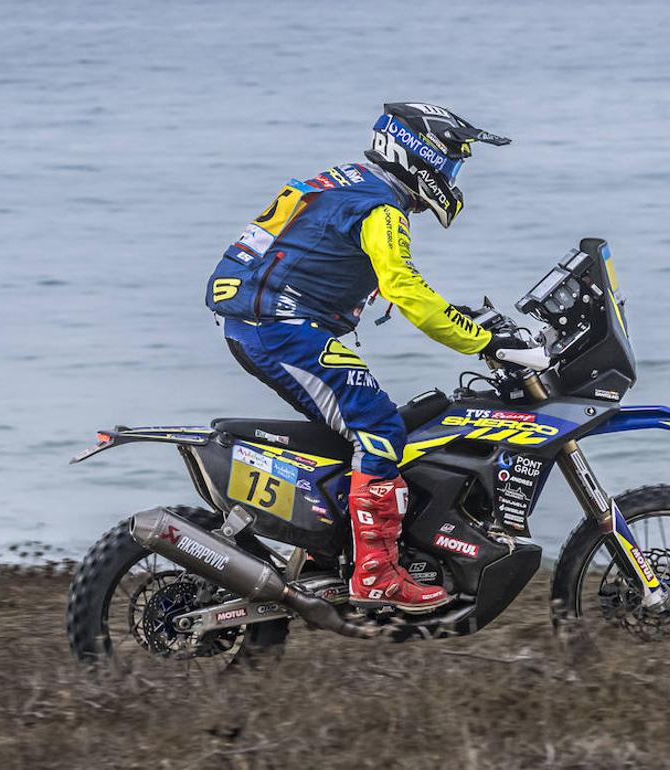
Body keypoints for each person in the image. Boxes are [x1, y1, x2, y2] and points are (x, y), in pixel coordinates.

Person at [205, 103, 529, 613]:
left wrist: (464, 317)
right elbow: (406, 290)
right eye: (451, 162)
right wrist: (482, 342)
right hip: (280, 327)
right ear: (420, 156)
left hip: (266, 318)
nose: (452, 176)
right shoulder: (380, 208)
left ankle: (321, 548)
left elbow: (330, 260)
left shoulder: (348, 183)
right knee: (379, 425)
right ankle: (375, 575)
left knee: (352, 431)